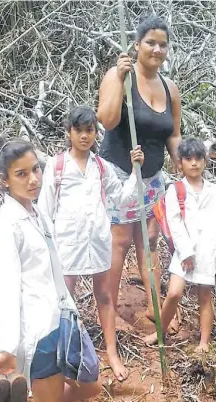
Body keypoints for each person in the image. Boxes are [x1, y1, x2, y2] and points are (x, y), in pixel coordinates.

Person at [0, 136, 102, 402]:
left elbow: (52, 271)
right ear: (5, 179)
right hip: (37, 330)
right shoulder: (6, 225)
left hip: (59, 317)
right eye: (22, 174)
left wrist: (70, 310)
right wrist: (7, 347)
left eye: (35, 169)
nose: (33, 179)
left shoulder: (34, 211)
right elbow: (5, 287)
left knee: (91, 385)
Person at [38, 106, 144, 381]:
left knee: (105, 296)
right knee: (65, 300)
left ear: (96, 134)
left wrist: (135, 171)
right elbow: (45, 210)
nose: (84, 136)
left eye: (89, 131)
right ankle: (63, 357)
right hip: (66, 242)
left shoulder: (101, 166)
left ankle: (111, 352)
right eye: (79, 131)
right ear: (69, 133)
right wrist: (45, 247)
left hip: (97, 240)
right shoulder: (56, 165)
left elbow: (121, 199)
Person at [97, 15, 182, 332]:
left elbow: (172, 134)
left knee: (149, 240)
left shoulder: (169, 88)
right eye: (150, 43)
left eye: (163, 44)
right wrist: (119, 79)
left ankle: (154, 306)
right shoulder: (119, 75)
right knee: (119, 240)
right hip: (119, 171)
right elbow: (105, 120)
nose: (157, 50)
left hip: (152, 176)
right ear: (136, 45)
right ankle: (108, 308)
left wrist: (183, 166)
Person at [144, 137, 216, 352]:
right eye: (188, 159)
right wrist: (185, 253)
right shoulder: (176, 190)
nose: (194, 163)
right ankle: (160, 332)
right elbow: (174, 222)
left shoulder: (215, 192)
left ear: (205, 161)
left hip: (208, 252)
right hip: (185, 254)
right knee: (174, 292)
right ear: (180, 163)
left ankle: (203, 343)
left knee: (204, 296)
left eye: (198, 158)